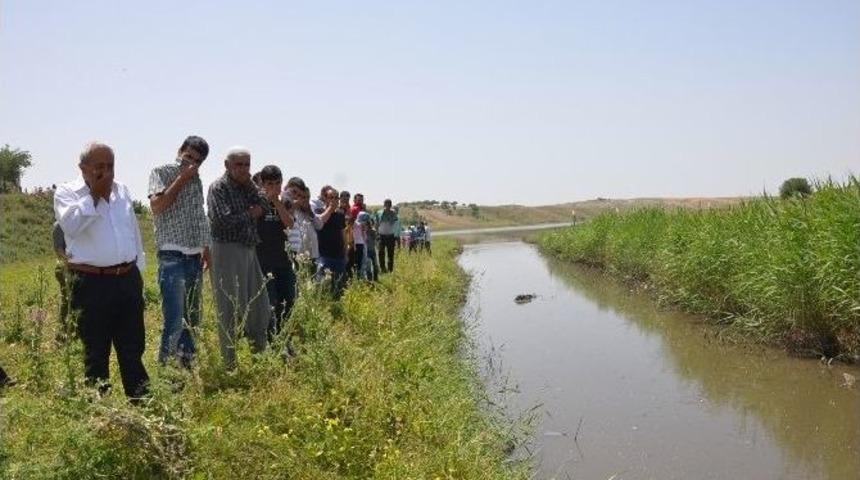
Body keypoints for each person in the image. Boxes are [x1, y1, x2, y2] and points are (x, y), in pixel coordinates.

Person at [54, 141, 149, 400]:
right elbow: (71, 227)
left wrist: (138, 272)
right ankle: (100, 404)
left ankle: (141, 399)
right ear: (83, 168)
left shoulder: (122, 191)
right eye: (99, 167)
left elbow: (133, 232)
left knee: (132, 344)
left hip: (127, 278)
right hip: (91, 282)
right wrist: (94, 194)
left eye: (110, 166)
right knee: (95, 348)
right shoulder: (67, 193)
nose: (106, 172)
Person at [147, 135, 211, 367]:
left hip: (194, 256)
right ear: (180, 151)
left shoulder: (197, 180)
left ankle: (187, 366)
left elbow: (199, 215)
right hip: (172, 255)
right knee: (174, 320)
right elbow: (157, 206)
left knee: (192, 319)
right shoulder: (162, 172)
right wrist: (181, 178)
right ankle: (166, 372)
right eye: (188, 157)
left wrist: (206, 248)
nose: (191, 164)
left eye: (197, 161)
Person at [207, 147, 271, 368]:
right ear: (227, 165)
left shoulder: (248, 186)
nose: (244, 169)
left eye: (247, 165)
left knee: (259, 306)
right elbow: (222, 221)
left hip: (249, 250)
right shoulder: (219, 188)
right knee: (229, 308)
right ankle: (230, 365)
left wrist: (252, 200)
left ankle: (259, 359)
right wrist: (251, 213)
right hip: (226, 250)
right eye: (239, 165)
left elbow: (264, 202)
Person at [256, 165, 295, 340]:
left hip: (283, 260)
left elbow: (289, 223)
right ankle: (272, 340)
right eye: (269, 184)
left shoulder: (285, 202)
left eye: (277, 183)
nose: (274, 187)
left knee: (288, 300)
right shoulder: (256, 201)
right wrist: (266, 200)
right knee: (270, 302)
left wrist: (277, 201)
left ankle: (284, 338)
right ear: (262, 184)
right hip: (263, 261)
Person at [315, 186, 347, 294]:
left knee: (339, 287)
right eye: (331, 197)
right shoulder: (319, 211)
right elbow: (320, 221)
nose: (334, 200)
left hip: (339, 256)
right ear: (325, 199)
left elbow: (343, 235)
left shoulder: (340, 215)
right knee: (324, 287)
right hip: (324, 255)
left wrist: (346, 253)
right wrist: (330, 208)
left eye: (336, 198)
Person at [285, 180, 321, 275]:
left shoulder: (310, 210)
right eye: (303, 197)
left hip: (312, 254)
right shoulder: (292, 210)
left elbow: (319, 225)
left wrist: (310, 213)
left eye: (308, 197)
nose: (306, 200)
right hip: (298, 255)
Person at [52, 221, 72, 340]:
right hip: (64, 269)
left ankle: (72, 331)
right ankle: (61, 334)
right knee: (66, 301)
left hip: (73, 268)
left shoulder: (72, 223)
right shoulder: (59, 225)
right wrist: (69, 261)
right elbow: (58, 249)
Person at [376, 199, 398, 273]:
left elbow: (395, 222)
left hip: (390, 235)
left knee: (390, 253)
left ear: (391, 205)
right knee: (381, 252)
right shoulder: (379, 213)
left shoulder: (393, 213)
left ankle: (390, 269)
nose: (388, 206)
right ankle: (383, 268)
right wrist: (376, 233)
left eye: (389, 204)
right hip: (381, 235)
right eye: (386, 204)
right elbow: (376, 223)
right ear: (384, 205)